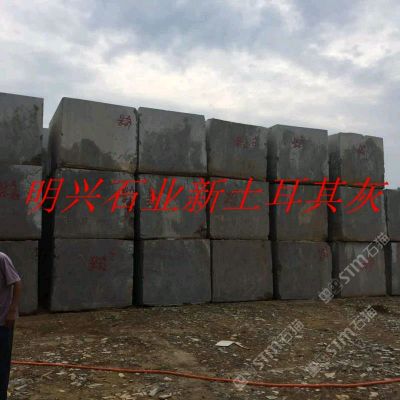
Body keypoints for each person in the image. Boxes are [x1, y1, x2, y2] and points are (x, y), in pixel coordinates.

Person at [0, 252, 22, 400]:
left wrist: (12, 310)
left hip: (2, 322)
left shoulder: (2, 259)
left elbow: (17, 283)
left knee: (2, 365)